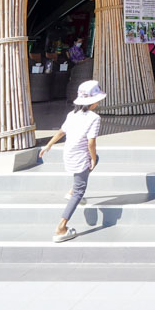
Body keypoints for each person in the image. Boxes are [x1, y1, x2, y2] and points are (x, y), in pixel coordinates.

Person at [39, 79, 105, 243]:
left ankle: (72, 191)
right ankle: (61, 227)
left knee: (93, 162)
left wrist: (48, 145)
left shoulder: (72, 114)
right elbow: (91, 143)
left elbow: (61, 132)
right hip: (80, 157)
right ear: (93, 101)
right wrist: (92, 158)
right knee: (79, 191)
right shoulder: (94, 118)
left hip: (68, 154)